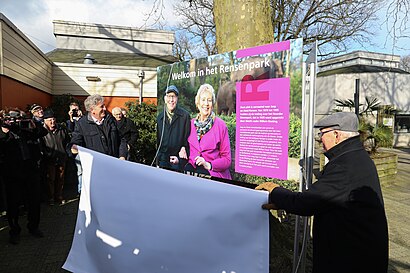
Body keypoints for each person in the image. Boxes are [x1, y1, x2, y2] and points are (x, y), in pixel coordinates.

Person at [256, 112, 388, 273]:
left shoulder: (345, 166)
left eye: (322, 133)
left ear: (336, 134)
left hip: (350, 260)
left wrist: (274, 190)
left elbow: (306, 202)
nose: (319, 139)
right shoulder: (356, 156)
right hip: (358, 253)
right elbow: (328, 199)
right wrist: (282, 201)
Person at [0, 109, 48, 244]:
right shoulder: (4, 134)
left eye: (19, 119)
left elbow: (43, 132)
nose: (16, 122)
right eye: (12, 119)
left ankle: (33, 227)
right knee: (13, 204)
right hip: (12, 174)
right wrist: (4, 131)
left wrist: (34, 125)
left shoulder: (26, 130)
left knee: (34, 201)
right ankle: (14, 231)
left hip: (30, 171)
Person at [183, 84, 232, 179]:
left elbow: (227, 159)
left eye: (209, 100)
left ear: (213, 104)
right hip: (192, 172)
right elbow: (183, 144)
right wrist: (182, 148)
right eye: (203, 100)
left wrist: (209, 164)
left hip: (213, 174)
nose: (206, 103)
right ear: (198, 103)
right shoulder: (190, 124)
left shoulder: (221, 126)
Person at [68, 94, 127, 160]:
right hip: (95, 165)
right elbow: (75, 143)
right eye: (101, 106)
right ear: (92, 110)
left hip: (113, 162)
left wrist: (122, 155)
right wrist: (73, 148)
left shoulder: (111, 121)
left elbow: (122, 139)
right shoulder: (82, 124)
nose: (105, 108)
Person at [156, 85, 190, 171]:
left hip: (178, 163)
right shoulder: (160, 118)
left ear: (177, 99)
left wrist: (180, 158)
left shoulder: (185, 116)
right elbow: (158, 142)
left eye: (173, 97)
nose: (171, 100)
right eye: (168, 96)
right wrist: (158, 161)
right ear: (164, 98)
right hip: (163, 162)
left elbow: (188, 141)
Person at [42, 110, 70, 205]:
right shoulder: (42, 131)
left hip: (61, 157)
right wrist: (47, 154)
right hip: (50, 159)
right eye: (49, 120)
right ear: (45, 121)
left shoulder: (61, 129)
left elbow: (67, 142)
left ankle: (59, 196)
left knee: (60, 179)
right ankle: (51, 198)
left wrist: (66, 153)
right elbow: (41, 145)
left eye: (53, 119)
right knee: (50, 179)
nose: (52, 122)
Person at [66, 102, 83, 194]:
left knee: (83, 170)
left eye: (76, 109)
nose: (75, 111)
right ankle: (79, 190)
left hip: (83, 147)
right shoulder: (69, 121)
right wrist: (71, 118)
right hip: (74, 148)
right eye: (73, 110)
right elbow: (70, 130)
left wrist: (81, 117)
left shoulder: (84, 120)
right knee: (78, 170)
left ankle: (82, 189)